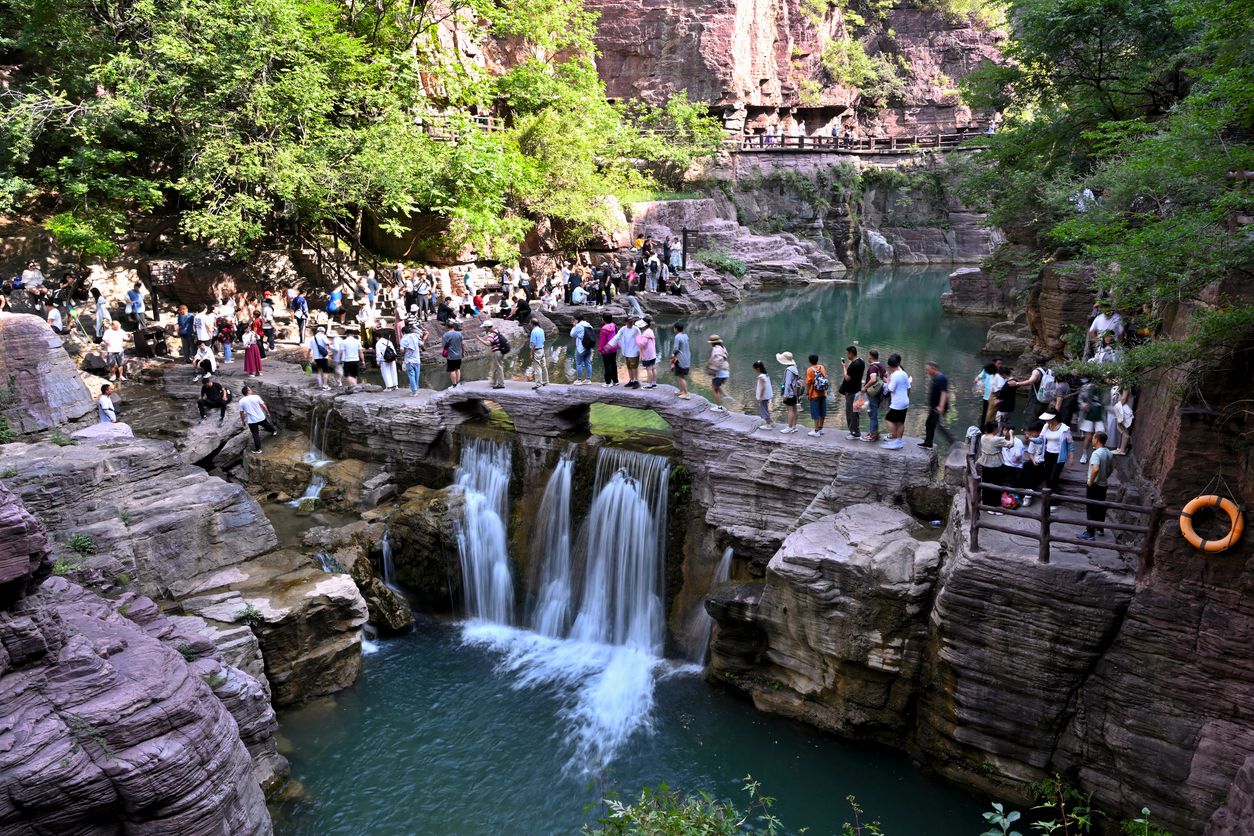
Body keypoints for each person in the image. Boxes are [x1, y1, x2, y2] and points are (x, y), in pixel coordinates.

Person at [1078, 431, 1113, 540]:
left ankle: (1090, 532)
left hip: (1094, 484)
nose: (1092, 440)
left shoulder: (1096, 453)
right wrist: (1105, 476)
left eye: (1093, 438)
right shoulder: (1108, 452)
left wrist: (1090, 481)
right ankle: (1100, 528)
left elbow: (1095, 468)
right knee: (1100, 506)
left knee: (1091, 507)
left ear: (1097, 439)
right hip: (1103, 484)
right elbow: (1111, 468)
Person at [977, 421, 1014, 510]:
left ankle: (987, 504)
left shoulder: (983, 437)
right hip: (997, 465)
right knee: (997, 485)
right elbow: (1010, 444)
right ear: (994, 429)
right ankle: (995, 506)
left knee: (986, 484)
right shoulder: (996, 439)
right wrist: (1011, 434)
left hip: (986, 464)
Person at [1038, 410, 1073, 496]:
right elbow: (1040, 439)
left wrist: (1071, 456)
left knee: (1053, 477)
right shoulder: (1046, 426)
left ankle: (1055, 499)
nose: (1046, 421)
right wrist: (1031, 439)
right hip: (1048, 454)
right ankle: (1049, 497)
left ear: (1054, 418)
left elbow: (1070, 443)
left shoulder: (1064, 429)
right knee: (1047, 476)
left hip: (1059, 455)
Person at [920, 361, 953, 448]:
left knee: (935, 424)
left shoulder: (942, 378)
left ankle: (952, 441)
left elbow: (944, 392)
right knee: (931, 424)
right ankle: (928, 442)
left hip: (939, 407)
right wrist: (928, 402)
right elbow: (933, 391)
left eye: (928, 370)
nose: (927, 372)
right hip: (934, 406)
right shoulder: (934, 377)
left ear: (934, 369)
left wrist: (941, 406)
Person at [238, 385, 278, 454]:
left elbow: (241, 413)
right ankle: (274, 431)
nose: (251, 390)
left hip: (252, 421)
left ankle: (258, 449)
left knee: (255, 435)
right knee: (267, 425)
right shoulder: (256, 396)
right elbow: (263, 405)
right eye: (250, 389)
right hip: (261, 417)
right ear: (248, 391)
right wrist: (267, 412)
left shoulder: (241, 401)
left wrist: (243, 421)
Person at [882, 354, 910, 450]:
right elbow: (908, 388)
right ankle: (899, 440)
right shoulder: (904, 373)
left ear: (890, 366)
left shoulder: (894, 375)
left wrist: (888, 379)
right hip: (905, 401)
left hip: (897, 403)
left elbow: (890, 389)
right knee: (900, 422)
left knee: (888, 419)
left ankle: (894, 438)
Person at [839, 345, 865, 439]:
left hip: (851, 392)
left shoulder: (854, 365)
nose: (846, 355)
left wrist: (844, 367)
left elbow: (847, 377)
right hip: (858, 389)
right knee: (856, 412)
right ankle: (855, 431)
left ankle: (854, 433)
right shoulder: (861, 361)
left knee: (851, 412)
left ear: (850, 353)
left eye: (847, 353)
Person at [861, 350, 887, 442]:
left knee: (873, 414)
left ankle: (872, 435)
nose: (868, 357)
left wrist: (865, 387)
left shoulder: (872, 367)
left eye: (868, 356)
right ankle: (875, 433)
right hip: (879, 393)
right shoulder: (881, 366)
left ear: (871, 357)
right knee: (873, 413)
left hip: (873, 393)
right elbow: (886, 377)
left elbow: (873, 379)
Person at [1077, 382, 1103, 464]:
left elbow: (1107, 401)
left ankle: (1097, 457)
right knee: (1088, 436)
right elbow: (1080, 399)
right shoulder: (1085, 387)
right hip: (1088, 413)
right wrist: (1083, 405)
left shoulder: (1104, 388)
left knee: (1100, 436)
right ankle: (1084, 455)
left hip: (1100, 414)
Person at [775, 351, 800, 433]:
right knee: (795, 409)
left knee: (790, 410)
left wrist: (785, 395)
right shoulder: (794, 367)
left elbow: (788, 383)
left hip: (790, 393)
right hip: (795, 392)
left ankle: (789, 427)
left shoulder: (789, 370)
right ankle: (794, 426)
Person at [613, 318, 642, 388]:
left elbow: (640, 339)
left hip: (634, 351)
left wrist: (639, 350)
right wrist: (611, 343)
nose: (631, 323)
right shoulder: (623, 329)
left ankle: (636, 381)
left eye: (632, 321)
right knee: (629, 367)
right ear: (626, 322)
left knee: (634, 367)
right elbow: (617, 336)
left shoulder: (636, 329)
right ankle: (631, 380)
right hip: (627, 351)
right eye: (629, 322)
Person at [477, 321, 506, 389]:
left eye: (484, 327)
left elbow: (488, 343)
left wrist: (479, 339)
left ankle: (501, 384)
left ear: (487, 327)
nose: (484, 329)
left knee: (499, 367)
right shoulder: (496, 330)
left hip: (497, 351)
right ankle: (494, 381)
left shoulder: (491, 334)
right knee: (497, 366)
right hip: (501, 350)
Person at [804, 353, 828, 436]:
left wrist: (807, 393)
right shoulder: (822, 367)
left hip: (814, 393)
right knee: (822, 411)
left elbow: (808, 383)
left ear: (810, 361)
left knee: (815, 412)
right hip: (823, 393)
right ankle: (821, 428)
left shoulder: (810, 370)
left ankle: (816, 431)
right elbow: (825, 378)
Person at [399, 324, 425, 394]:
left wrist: (404, 350)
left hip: (409, 360)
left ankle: (414, 391)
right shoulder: (415, 336)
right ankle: (416, 388)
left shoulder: (403, 339)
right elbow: (422, 344)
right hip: (417, 359)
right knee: (417, 375)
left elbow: (401, 351)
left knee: (411, 375)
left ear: (403, 332)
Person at [706, 335, 729, 412]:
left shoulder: (716, 349)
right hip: (725, 372)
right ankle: (725, 395)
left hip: (720, 372)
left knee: (714, 389)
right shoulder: (722, 347)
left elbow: (718, 360)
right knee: (716, 386)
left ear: (712, 343)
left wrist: (712, 367)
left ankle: (719, 407)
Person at [571, 316, 595, 385]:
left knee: (579, 364)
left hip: (581, 348)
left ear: (576, 320)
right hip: (588, 347)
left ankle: (579, 380)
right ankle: (588, 379)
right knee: (588, 362)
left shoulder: (578, 326)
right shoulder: (588, 324)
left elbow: (572, 334)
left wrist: (574, 326)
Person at [598, 313, 619, 386]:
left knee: (607, 365)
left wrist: (600, 349)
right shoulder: (614, 325)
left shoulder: (604, 329)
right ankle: (615, 381)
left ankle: (608, 382)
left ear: (603, 320)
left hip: (606, 349)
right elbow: (617, 335)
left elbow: (602, 340)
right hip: (614, 347)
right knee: (613, 363)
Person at [637, 319, 658, 389]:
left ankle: (649, 385)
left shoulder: (646, 333)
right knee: (653, 368)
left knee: (649, 369)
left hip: (647, 354)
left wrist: (637, 340)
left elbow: (643, 344)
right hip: (653, 354)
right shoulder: (650, 331)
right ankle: (654, 383)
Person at [441, 322, 464, 387]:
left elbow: (443, 345)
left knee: (452, 370)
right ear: (453, 326)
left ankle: (454, 385)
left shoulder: (445, 335)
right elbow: (462, 343)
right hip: (459, 354)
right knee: (458, 369)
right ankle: (458, 383)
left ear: (447, 327)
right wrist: (463, 351)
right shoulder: (459, 334)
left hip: (450, 355)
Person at [753, 361, 774, 430]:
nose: (754, 371)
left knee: (764, 410)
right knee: (765, 409)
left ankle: (768, 425)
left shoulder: (761, 377)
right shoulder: (766, 374)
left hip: (764, 396)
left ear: (758, 369)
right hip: (767, 395)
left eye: (755, 369)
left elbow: (763, 387)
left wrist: (761, 397)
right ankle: (771, 422)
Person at [528, 318, 548, 389]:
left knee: (537, 367)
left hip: (536, 351)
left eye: (530, 323)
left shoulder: (534, 331)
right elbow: (543, 340)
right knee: (544, 366)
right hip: (542, 349)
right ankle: (545, 381)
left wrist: (531, 353)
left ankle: (538, 384)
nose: (529, 324)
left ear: (532, 324)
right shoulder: (541, 330)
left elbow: (533, 344)